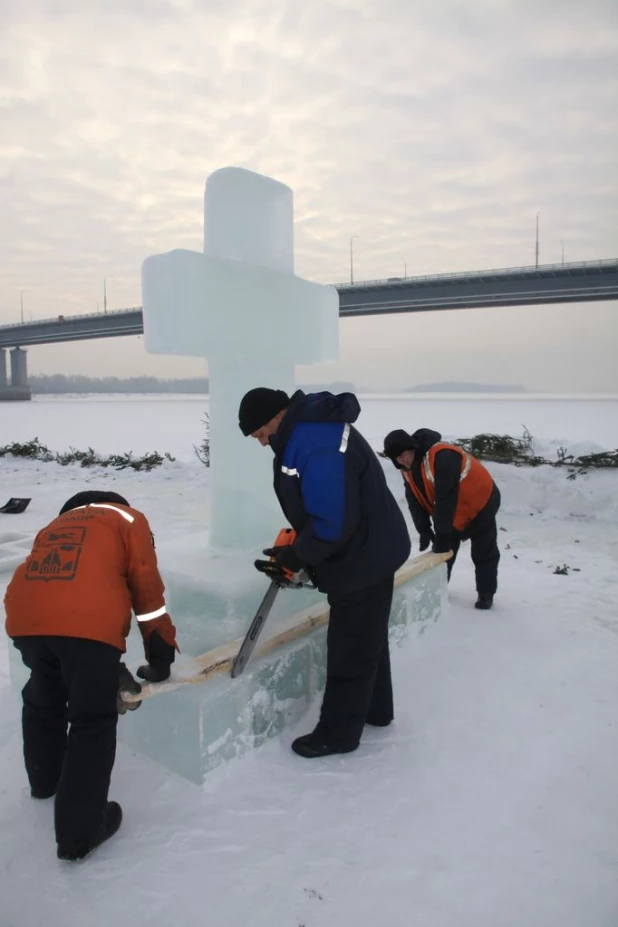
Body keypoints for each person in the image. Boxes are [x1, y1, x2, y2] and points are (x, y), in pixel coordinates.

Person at [4, 490, 178, 861]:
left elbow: (39, 580)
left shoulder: (55, 524)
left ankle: (45, 780)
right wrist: (159, 658)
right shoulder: (128, 520)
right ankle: (80, 834)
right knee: (92, 719)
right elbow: (146, 587)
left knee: (43, 697)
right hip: (87, 626)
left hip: (24, 618)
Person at [238, 388, 411, 759]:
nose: (261, 442)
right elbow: (324, 503)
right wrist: (299, 544)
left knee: (351, 646)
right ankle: (377, 712)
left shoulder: (315, 441)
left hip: (364, 554)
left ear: (276, 415)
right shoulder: (306, 430)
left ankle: (338, 733)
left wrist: (297, 555)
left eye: (260, 433)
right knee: (368, 636)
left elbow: (332, 523)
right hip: (369, 545)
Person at [380, 428, 501, 609]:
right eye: (398, 458)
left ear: (412, 448)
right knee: (443, 554)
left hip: (481, 502)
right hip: (453, 511)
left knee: (484, 550)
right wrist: (424, 529)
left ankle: (486, 593)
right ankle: (439, 589)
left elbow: (446, 497)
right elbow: (413, 497)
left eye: (405, 454)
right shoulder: (407, 468)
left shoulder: (443, 456)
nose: (403, 460)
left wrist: (442, 533)